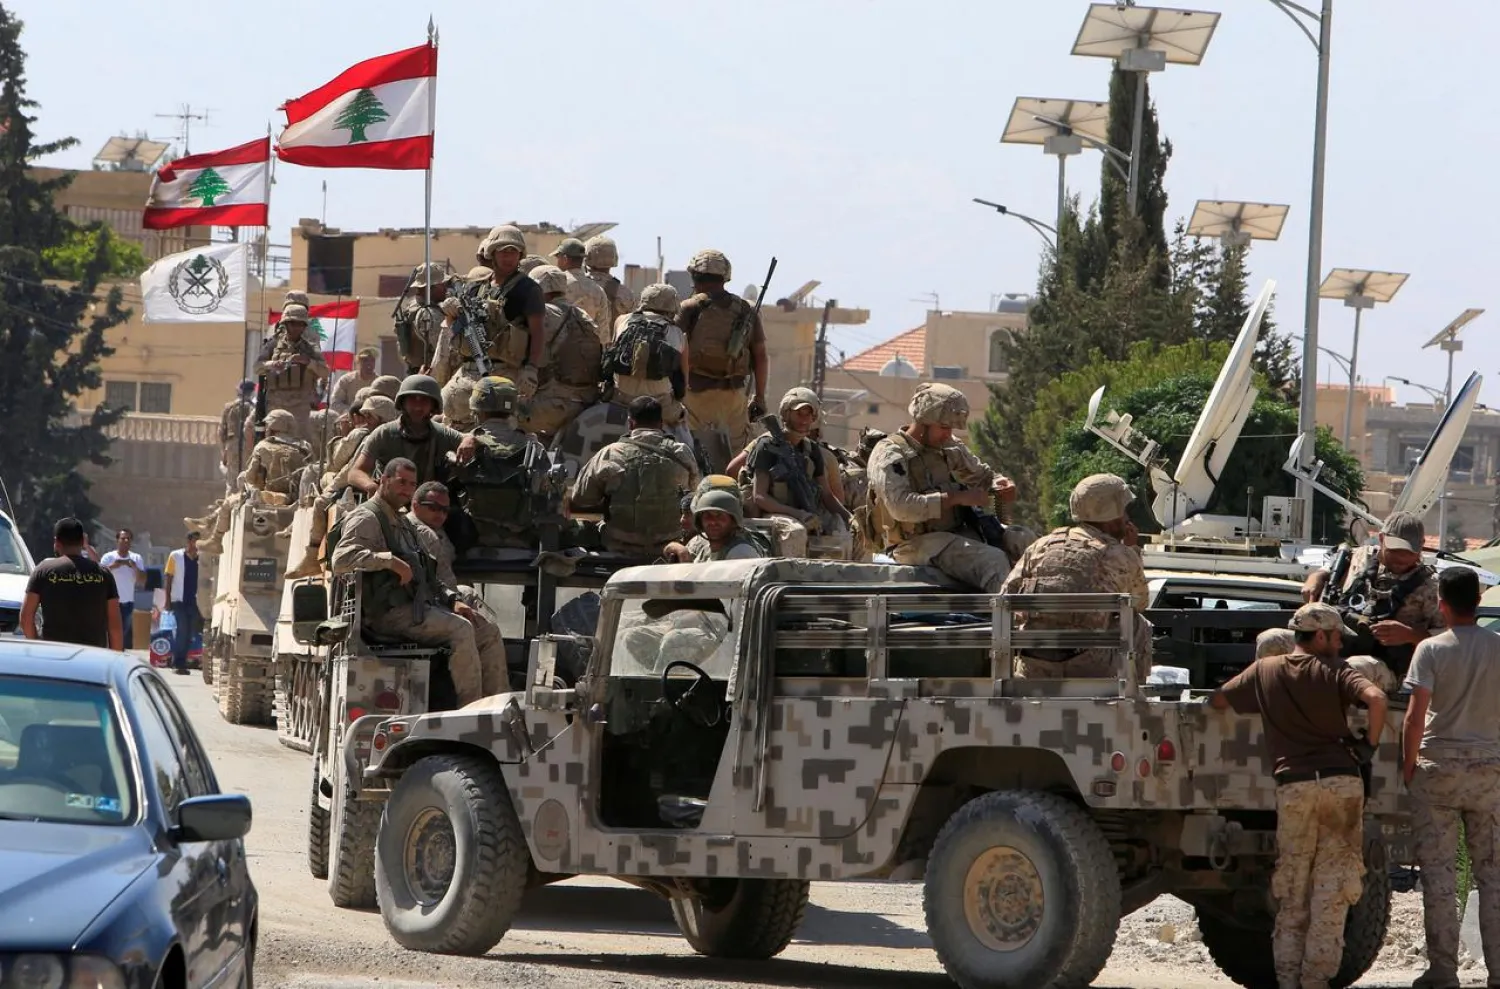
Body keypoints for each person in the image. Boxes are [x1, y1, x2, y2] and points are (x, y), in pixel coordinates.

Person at [1211, 603, 1387, 989]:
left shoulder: (1264, 670)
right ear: (1321, 636)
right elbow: (1376, 699)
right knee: (1332, 890)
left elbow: (1218, 701)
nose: (1341, 644)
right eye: (1338, 636)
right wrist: (1368, 746)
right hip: (1342, 785)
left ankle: (1288, 981)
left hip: (1295, 786)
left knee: (1292, 891)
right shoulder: (1336, 671)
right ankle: (1316, 981)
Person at [1402, 566, 1500, 989]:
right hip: (1488, 771)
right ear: (1478, 603)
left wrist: (1408, 766)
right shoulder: (1498, 648)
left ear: (1440, 603)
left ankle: (1443, 971)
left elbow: (1414, 714)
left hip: (1438, 768)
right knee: (1493, 874)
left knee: (1438, 875)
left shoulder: (1430, 649)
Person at [330, 457, 485, 706]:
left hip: (413, 607)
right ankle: (471, 711)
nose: (406, 489)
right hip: (387, 614)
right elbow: (341, 559)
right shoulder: (368, 517)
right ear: (384, 480)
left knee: (480, 627)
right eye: (401, 482)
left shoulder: (401, 522)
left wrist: (452, 600)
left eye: (411, 484)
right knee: (461, 630)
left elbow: (427, 573)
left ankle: (493, 702)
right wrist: (389, 561)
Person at [867, 382, 1029, 592]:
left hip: (956, 534)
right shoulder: (890, 454)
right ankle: (1009, 621)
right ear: (924, 422)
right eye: (943, 427)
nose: (948, 434)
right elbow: (901, 508)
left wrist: (1000, 484)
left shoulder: (947, 446)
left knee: (1024, 540)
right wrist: (956, 498)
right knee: (993, 561)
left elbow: (982, 475)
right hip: (913, 544)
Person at [1000, 474, 1152, 680]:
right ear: (1113, 514)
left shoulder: (1041, 545)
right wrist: (1132, 549)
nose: (1127, 518)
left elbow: (1006, 596)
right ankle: (1133, 694)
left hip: (1034, 664)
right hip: (1091, 666)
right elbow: (1141, 602)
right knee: (1138, 622)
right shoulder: (1120, 554)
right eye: (1124, 511)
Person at [1302, 511, 1442, 688]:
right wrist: (1316, 577)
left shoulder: (1431, 586)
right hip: (1335, 646)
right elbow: (1327, 569)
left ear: (1421, 545)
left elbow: (1447, 639)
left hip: (1386, 666)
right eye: (1395, 550)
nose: (1402, 558)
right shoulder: (1358, 557)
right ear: (1382, 539)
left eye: (1410, 552)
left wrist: (1410, 635)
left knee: (1352, 668)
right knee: (1272, 640)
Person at [408, 481, 512, 696]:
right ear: (415, 505)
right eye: (433, 507)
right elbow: (432, 582)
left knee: (470, 596)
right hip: (423, 607)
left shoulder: (432, 531)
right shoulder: (421, 533)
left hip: (433, 602)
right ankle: (486, 702)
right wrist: (453, 602)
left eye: (445, 510)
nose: (440, 514)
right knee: (487, 633)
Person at [438, 225, 547, 429]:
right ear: (492, 254)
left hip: (504, 372)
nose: (508, 257)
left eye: (513, 252)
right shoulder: (475, 287)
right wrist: (451, 313)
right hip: (468, 371)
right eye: (503, 252)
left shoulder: (528, 289)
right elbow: (454, 332)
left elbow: (538, 332)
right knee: (448, 419)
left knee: (498, 430)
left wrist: (531, 368)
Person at [568, 396, 700, 556]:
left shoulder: (610, 453)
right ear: (660, 423)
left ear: (630, 423)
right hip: (669, 548)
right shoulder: (682, 452)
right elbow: (694, 498)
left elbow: (581, 498)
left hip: (619, 545)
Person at [286, 394, 400, 578]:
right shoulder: (395, 437)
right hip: (375, 488)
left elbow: (351, 470)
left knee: (321, 503)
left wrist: (331, 487)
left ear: (381, 417)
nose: (366, 421)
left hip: (365, 489)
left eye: (369, 416)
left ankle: (312, 557)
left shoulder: (371, 438)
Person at [677, 249, 768, 473]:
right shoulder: (746, 310)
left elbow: (674, 349)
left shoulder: (689, 308)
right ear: (725, 276)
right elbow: (761, 356)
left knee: (689, 457)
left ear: (695, 277)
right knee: (735, 462)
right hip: (734, 397)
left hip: (695, 395)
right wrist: (760, 397)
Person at [446, 376, 555, 550]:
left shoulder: (463, 445)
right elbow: (548, 493)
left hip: (472, 539)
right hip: (522, 540)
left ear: (476, 409)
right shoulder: (534, 446)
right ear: (512, 409)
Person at [744, 388, 852, 557]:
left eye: (808, 414)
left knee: (846, 531)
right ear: (786, 414)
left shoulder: (812, 450)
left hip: (807, 514)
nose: (804, 419)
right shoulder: (767, 446)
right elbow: (759, 496)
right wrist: (798, 514)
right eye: (798, 413)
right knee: (796, 532)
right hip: (774, 514)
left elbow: (827, 496)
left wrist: (849, 518)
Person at [189, 409, 311, 552]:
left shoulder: (263, 446)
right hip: (295, 499)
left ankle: (215, 540)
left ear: (272, 427)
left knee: (229, 501)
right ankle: (207, 522)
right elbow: (310, 474)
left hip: (266, 497)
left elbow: (249, 477)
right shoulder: (305, 447)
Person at [346, 374, 467, 495]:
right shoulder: (384, 433)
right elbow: (355, 472)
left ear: (433, 405)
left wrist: (469, 440)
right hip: (389, 501)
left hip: (426, 504)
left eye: (424, 400)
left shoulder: (442, 433)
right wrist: (371, 487)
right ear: (402, 402)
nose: (418, 406)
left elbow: (470, 439)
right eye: (412, 399)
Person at [604, 283, 693, 444]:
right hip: (660, 405)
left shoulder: (622, 321)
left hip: (621, 399)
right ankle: (691, 463)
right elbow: (683, 385)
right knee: (683, 423)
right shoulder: (677, 333)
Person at [524, 264, 602, 441]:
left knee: (499, 415)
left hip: (552, 405)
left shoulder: (545, 314)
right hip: (586, 404)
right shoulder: (583, 316)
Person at [21, 517, 121, 650]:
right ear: (82, 541)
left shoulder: (43, 571)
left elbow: (26, 618)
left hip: (54, 657)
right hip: (94, 659)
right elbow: (115, 626)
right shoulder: (103, 574)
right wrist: (116, 659)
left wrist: (39, 648)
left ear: (56, 542)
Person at [255, 302, 329, 441]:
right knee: (271, 445)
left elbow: (325, 372)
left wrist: (308, 362)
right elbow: (257, 367)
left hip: (299, 407)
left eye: (300, 324)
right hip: (275, 406)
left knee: (300, 447)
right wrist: (272, 364)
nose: (296, 328)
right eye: (292, 323)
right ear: (285, 324)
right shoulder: (272, 345)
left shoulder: (310, 348)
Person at [663, 486, 765, 563]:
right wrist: (680, 551)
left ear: (733, 521)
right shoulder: (702, 545)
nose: (712, 521)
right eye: (707, 516)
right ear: (700, 521)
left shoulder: (740, 553)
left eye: (719, 516)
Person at [394, 262, 454, 376]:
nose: (446, 288)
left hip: (417, 372)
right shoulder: (430, 315)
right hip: (430, 374)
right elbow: (446, 351)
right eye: (442, 284)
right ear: (430, 288)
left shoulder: (412, 306)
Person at [548, 237, 610, 332]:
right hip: (588, 344)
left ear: (565, 259)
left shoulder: (556, 283)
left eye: (558, 257)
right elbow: (603, 331)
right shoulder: (598, 290)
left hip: (559, 344)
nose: (557, 262)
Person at [162, 533, 203, 675]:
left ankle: (182, 661)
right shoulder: (175, 556)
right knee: (182, 630)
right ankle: (177, 662)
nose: (197, 544)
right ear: (189, 541)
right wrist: (167, 599)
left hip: (195, 601)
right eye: (195, 540)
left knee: (190, 633)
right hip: (179, 600)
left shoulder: (202, 558)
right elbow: (168, 578)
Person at [99, 528, 145, 650]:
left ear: (131, 541)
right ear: (117, 541)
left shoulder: (136, 558)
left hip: (127, 602)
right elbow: (99, 576)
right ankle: (108, 652)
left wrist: (134, 567)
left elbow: (142, 581)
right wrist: (114, 566)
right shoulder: (108, 557)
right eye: (122, 538)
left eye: (128, 539)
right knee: (107, 630)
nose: (125, 541)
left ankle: (118, 654)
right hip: (109, 600)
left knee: (122, 632)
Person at [582, 234, 636, 337]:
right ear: (615, 258)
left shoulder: (577, 286)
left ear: (587, 257)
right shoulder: (625, 293)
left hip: (581, 350)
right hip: (613, 350)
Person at [219, 380, 257, 482]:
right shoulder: (253, 408)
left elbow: (222, 431)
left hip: (232, 444)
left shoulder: (229, 407)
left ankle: (231, 496)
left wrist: (224, 452)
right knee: (247, 475)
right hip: (249, 443)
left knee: (232, 477)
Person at [328, 347, 379, 415]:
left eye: (372, 360)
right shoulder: (346, 380)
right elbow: (335, 403)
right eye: (365, 360)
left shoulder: (379, 382)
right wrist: (353, 411)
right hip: (349, 418)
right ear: (358, 362)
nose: (369, 363)